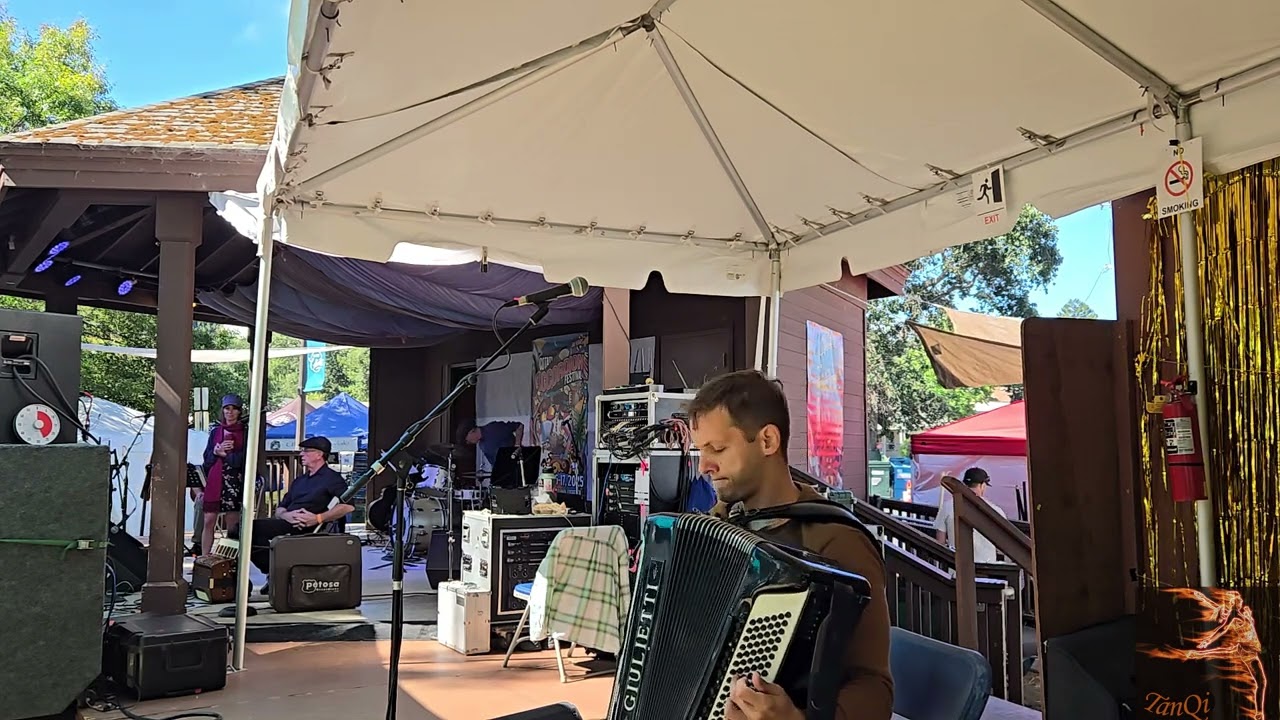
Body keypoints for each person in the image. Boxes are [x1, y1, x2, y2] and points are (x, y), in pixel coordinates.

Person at [689, 370, 893, 720]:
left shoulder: (836, 541)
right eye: (700, 451)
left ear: (768, 440)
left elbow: (875, 689)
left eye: (718, 449)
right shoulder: (717, 525)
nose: (704, 466)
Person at [233, 436, 355, 592]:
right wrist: (286, 515)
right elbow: (280, 508)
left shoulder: (332, 479)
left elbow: (348, 507)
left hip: (309, 525)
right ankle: (274, 572)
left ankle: (276, 573)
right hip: (288, 521)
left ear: (319, 454)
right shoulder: (300, 480)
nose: (301, 454)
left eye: (306, 451)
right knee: (243, 530)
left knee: (245, 530)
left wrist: (318, 518)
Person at [200, 394, 249, 555]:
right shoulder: (215, 432)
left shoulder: (245, 432)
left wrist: (225, 455)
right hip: (215, 478)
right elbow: (206, 460)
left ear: (239, 412)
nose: (230, 412)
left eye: (234, 409)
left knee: (232, 524)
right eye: (227, 408)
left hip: (235, 480)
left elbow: (242, 461)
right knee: (208, 520)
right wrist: (216, 452)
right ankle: (204, 557)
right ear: (223, 410)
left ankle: (229, 560)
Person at [933, 467, 1009, 564]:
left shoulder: (947, 507)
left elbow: (940, 542)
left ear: (964, 484)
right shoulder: (996, 511)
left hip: (957, 570)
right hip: (988, 570)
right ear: (982, 486)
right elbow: (1003, 545)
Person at [459, 419, 525, 467]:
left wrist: (517, 445)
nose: (468, 443)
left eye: (467, 440)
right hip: (511, 468)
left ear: (471, 431)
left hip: (522, 460)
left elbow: (519, 426)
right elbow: (495, 464)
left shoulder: (493, 428)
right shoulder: (482, 446)